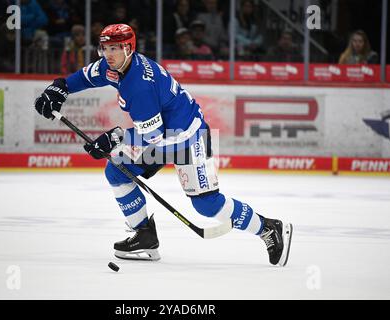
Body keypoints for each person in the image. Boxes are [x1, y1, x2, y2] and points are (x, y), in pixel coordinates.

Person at [34, 24, 293, 266]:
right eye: (105, 48)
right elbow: (87, 77)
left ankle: (268, 227)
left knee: (207, 205)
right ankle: (145, 236)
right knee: (116, 172)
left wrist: (115, 138)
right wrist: (60, 87)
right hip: (160, 136)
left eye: (115, 48)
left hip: (188, 137)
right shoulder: (115, 65)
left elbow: (154, 138)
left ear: (129, 48)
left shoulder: (140, 86)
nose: (108, 54)